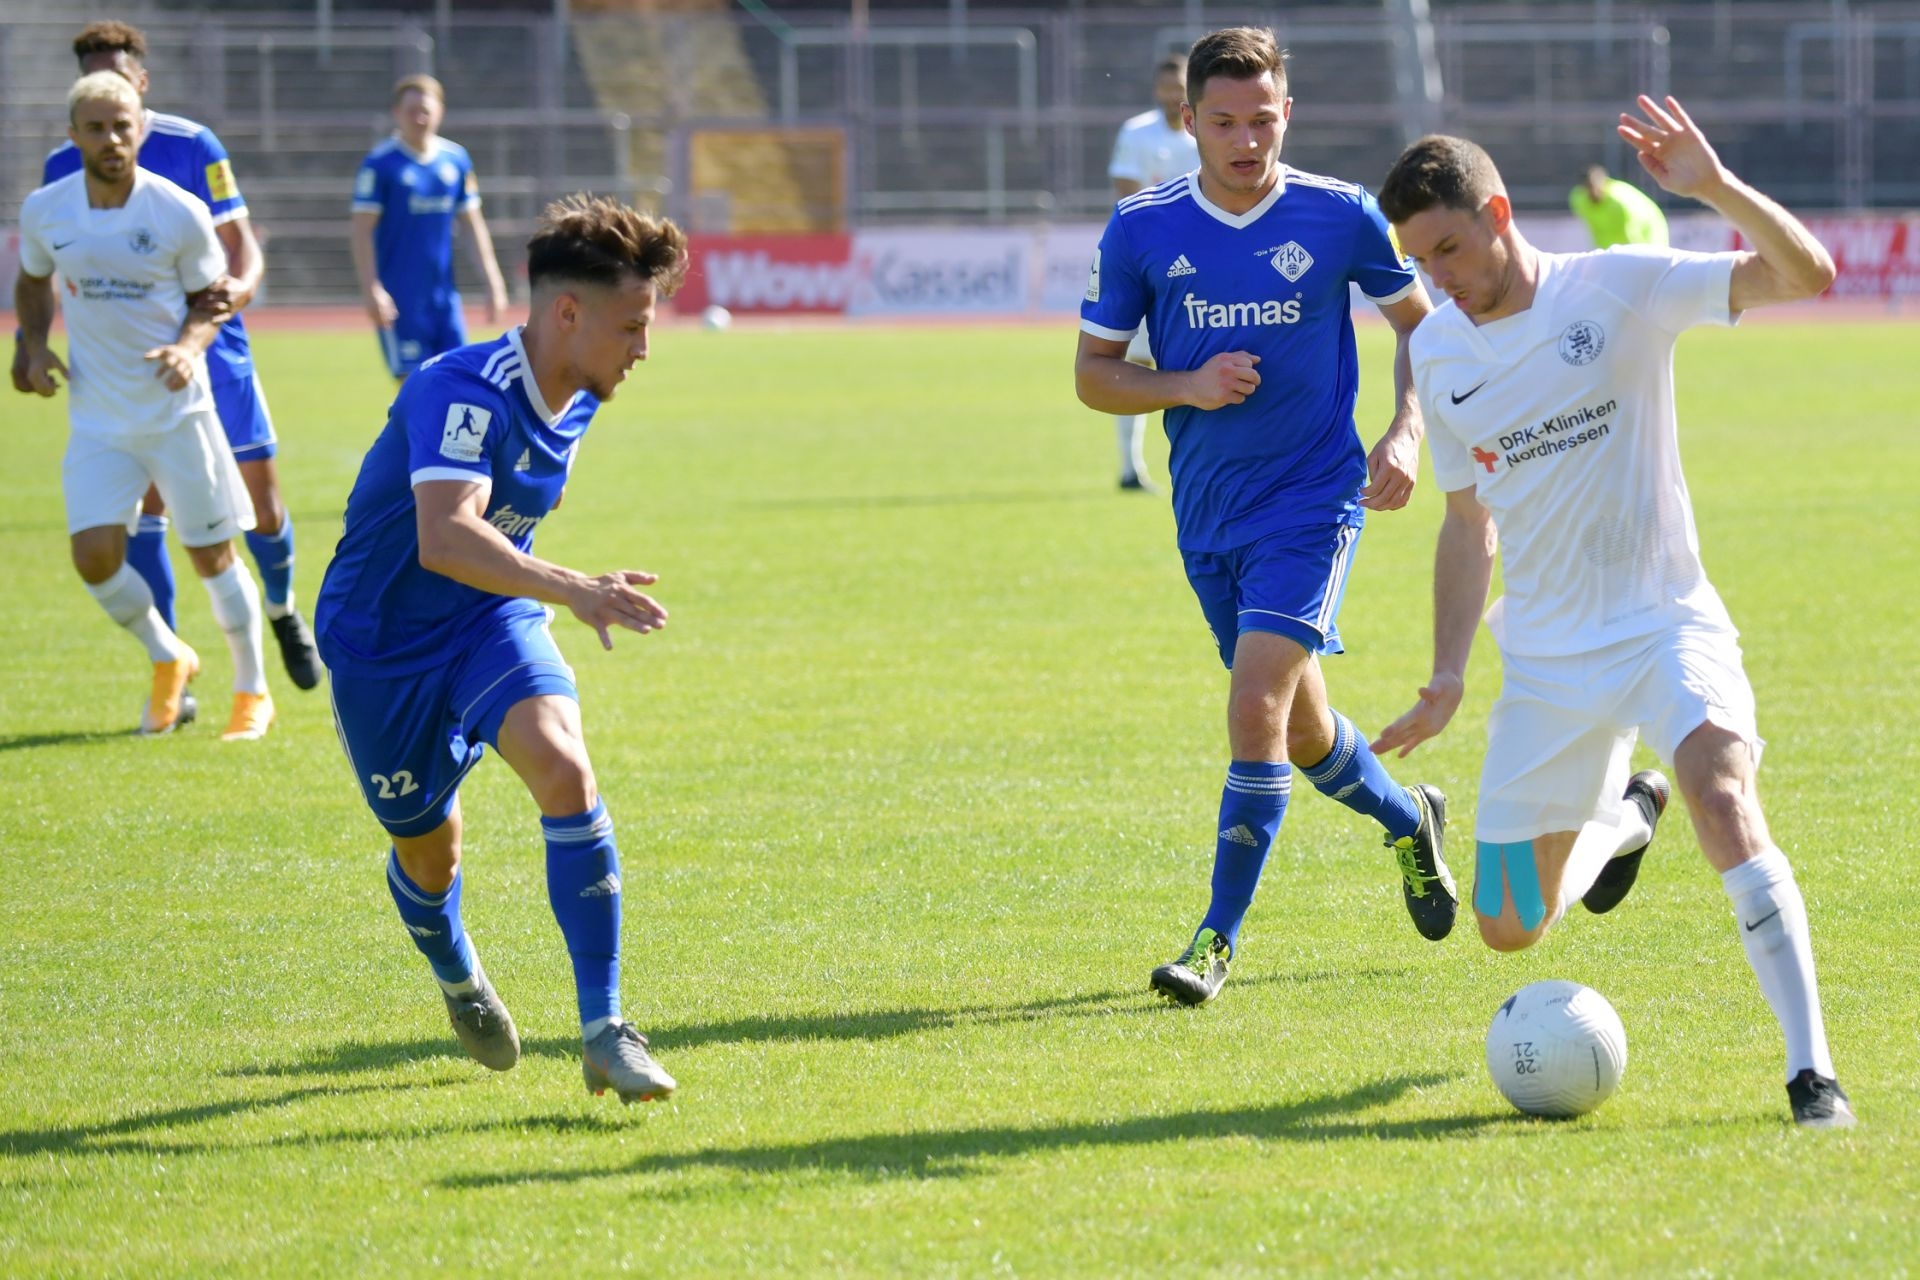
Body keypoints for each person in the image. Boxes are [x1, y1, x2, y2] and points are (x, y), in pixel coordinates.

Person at [1375, 96, 1853, 1128]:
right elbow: (1467, 524)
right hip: (1546, 660)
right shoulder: (1442, 353)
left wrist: (1715, 186)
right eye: (1421, 263)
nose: (1440, 280)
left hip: (1663, 618)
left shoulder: (1618, 286)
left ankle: (1811, 1072)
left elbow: (1808, 275)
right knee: (1507, 925)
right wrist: (1450, 671)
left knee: (1724, 795)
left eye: (1450, 248)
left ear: (1499, 211)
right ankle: (1628, 819)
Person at [1074, 27, 1454, 1008]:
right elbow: (1094, 377)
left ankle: (1214, 940)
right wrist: (1188, 384)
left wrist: (1406, 428)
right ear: (1189, 122)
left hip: (1313, 501)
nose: (1246, 139)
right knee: (1300, 731)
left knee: (1253, 707)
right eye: (1225, 122)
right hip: (1208, 513)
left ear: (1290, 114)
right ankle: (1411, 821)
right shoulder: (1142, 230)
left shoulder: (1342, 215)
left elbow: (1423, 329)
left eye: (1265, 119)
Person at [315, 194, 687, 1102]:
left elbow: (484, 552)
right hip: (381, 648)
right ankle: (456, 972)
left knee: (567, 773)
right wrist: (578, 589)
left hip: (489, 620)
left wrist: (547, 594)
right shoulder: (461, 391)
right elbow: (445, 537)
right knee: (428, 850)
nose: (645, 347)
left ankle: (604, 1029)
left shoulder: (580, 397)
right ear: (568, 313)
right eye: (632, 326)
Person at [14, 20, 321, 705]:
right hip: (129, 372)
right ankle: (175, 676)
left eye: (121, 76)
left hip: (216, 345)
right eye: (94, 78)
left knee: (262, 511)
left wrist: (229, 300)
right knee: (145, 515)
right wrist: (28, 347)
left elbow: (240, 246)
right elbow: (43, 269)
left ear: (142, 83)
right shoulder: (63, 170)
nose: (110, 92)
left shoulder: (192, 146)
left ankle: (281, 610)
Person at [349, 74, 510, 380]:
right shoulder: (380, 165)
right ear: (397, 114)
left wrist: (493, 281)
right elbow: (361, 230)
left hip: (443, 298)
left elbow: (472, 224)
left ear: (440, 112)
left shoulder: (455, 160)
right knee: (415, 387)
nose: (420, 118)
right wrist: (371, 288)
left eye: (427, 110)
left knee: (459, 382)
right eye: (411, 111)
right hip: (400, 299)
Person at [1103, 51, 1200, 493]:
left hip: (1206, 264)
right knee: (1138, 363)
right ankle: (1130, 467)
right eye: (1164, 85)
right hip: (1153, 263)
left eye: (1177, 84)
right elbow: (1126, 193)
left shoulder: (1208, 132)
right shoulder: (1138, 133)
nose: (1170, 93)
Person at [1570, 163, 1668, 248]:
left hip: (1648, 231)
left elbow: (1632, 232)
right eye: (1588, 187)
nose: (1593, 191)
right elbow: (1594, 229)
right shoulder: (1579, 199)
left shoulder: (1618, 200)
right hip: (1615, 242)